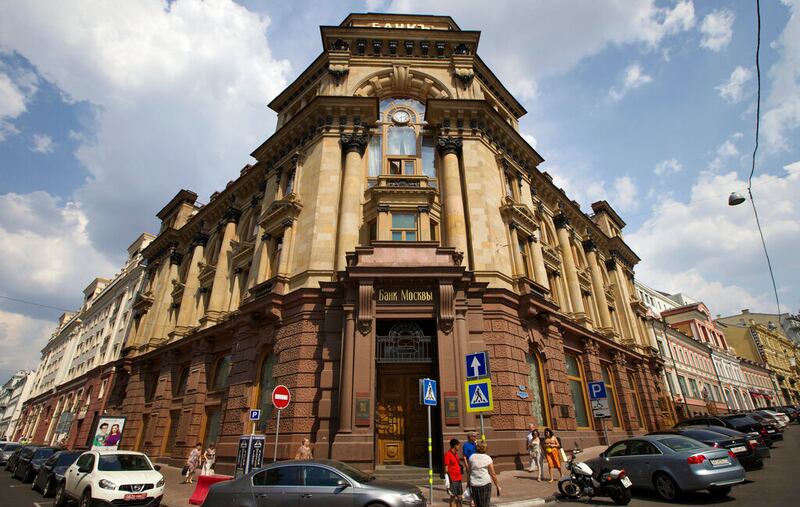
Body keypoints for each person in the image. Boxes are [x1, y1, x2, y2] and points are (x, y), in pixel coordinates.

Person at [468, 440, 500, 507]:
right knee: (485, 504)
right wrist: (497, 485)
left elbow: (469, 471)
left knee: (477, 504)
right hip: (485, 484)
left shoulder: (471, 457)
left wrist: (468, 483)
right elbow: (493, 474)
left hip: (474, 484)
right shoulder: (487, 458)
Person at [443, 438, 463, 507]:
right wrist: (447, 480)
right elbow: (446, 468)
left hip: (459, 478)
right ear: (455, 446)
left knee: (459, 496)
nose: (459, 447)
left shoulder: (456, 454)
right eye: (458, 445)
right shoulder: (448, 454)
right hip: (452, 480)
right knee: (453, 497)